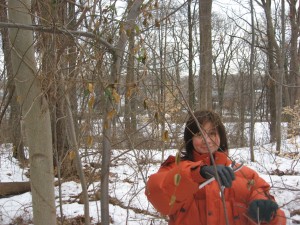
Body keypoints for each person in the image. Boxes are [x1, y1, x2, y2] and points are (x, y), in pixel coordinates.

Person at [145, 110, 286, 225]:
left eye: (212, 133)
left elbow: (277, 219)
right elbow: (159, 197)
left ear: (221, 136)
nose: (207, 140)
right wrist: (197, 173)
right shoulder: (174, 170)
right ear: (190, 139)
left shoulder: (245, 175)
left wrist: (270, 215)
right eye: (199, 134)